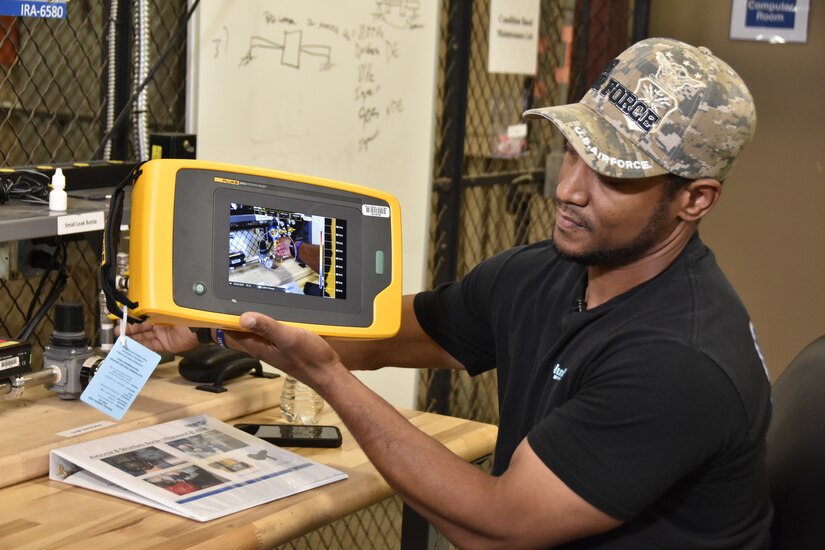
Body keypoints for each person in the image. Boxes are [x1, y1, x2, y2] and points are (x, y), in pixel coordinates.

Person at [125, 37, 772, 548]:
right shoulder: (543, 271)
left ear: (693, 199)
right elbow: (388, 335)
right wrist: (210, 320)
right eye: (572, 154)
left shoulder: (677, 361)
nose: (569, 189)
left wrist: (325, 377)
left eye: (611, 175)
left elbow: (497, 527)